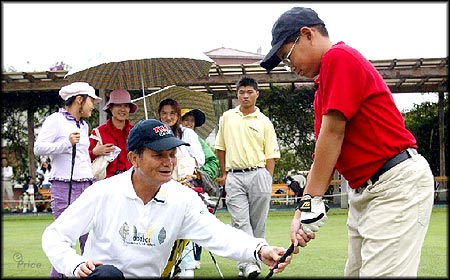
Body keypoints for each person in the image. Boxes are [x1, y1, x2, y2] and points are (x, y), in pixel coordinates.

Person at [260, 7, 435, 277]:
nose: (291, 66)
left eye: (287, 55)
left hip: (394, 184)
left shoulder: (339, 58)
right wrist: (303, 211)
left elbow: (333, 135)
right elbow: (324, 153)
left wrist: (312, 200)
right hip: (366, 191)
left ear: (306, 35)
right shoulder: (323, 86)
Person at [41, 119, 294, 278]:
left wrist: (258, 249)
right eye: (158, 155)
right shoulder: (102, 192)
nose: (169, 162)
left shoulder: (183, 199)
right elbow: (54, 236)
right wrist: (75, 265)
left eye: (172, 154)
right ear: (134, 158)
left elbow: (218, 234)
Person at [214, 77, 281, 278]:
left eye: (249, 92)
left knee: (258, 223)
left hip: (259, 173)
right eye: (242, 92)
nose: (245, 96)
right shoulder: (227, 117)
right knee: (240, 222)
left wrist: (267, 178)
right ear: (237, 94)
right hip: (234, 176)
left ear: (257, 94)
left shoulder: (264, 122)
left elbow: (271, 154)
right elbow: (221, 148)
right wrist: (225, 173)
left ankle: (256, 261)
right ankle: (248, 265)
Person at [34, 81, 101, 278]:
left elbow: (82, 157)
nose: (92, 105)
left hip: (87, 185)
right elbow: (39, 148)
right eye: (91, 101)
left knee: (89, 240)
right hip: (64, 186)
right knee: (63, 242)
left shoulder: (84, 124)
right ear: (79, 100)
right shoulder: (55, 120)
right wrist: (65, 143)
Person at [158, 99, 205, 278]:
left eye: (172, 113)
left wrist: (181, 161)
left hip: (184, 184)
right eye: (164, 113)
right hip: (162, 187)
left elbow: (199, 158)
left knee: (186, 226)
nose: (168, 117)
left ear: (178, 115)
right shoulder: (156, 134)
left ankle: (187, 268)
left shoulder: (187, 134)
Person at [181, 108, 220, 270]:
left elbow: (212, 162)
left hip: (194, 187)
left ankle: (195, 257)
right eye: (185, 119)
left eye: (191, 120)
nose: (188, 123)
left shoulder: (199, 141)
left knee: (197, 221)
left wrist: (199, 175)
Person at [88, 89, 137, 179]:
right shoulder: (98, 133)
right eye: (118, 105)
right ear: (110, 108)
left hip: (132, 180)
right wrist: (95, 152)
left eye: (126, 106)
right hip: (106, 182)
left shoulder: (135, 132)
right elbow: (83, 159)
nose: (122, 109)